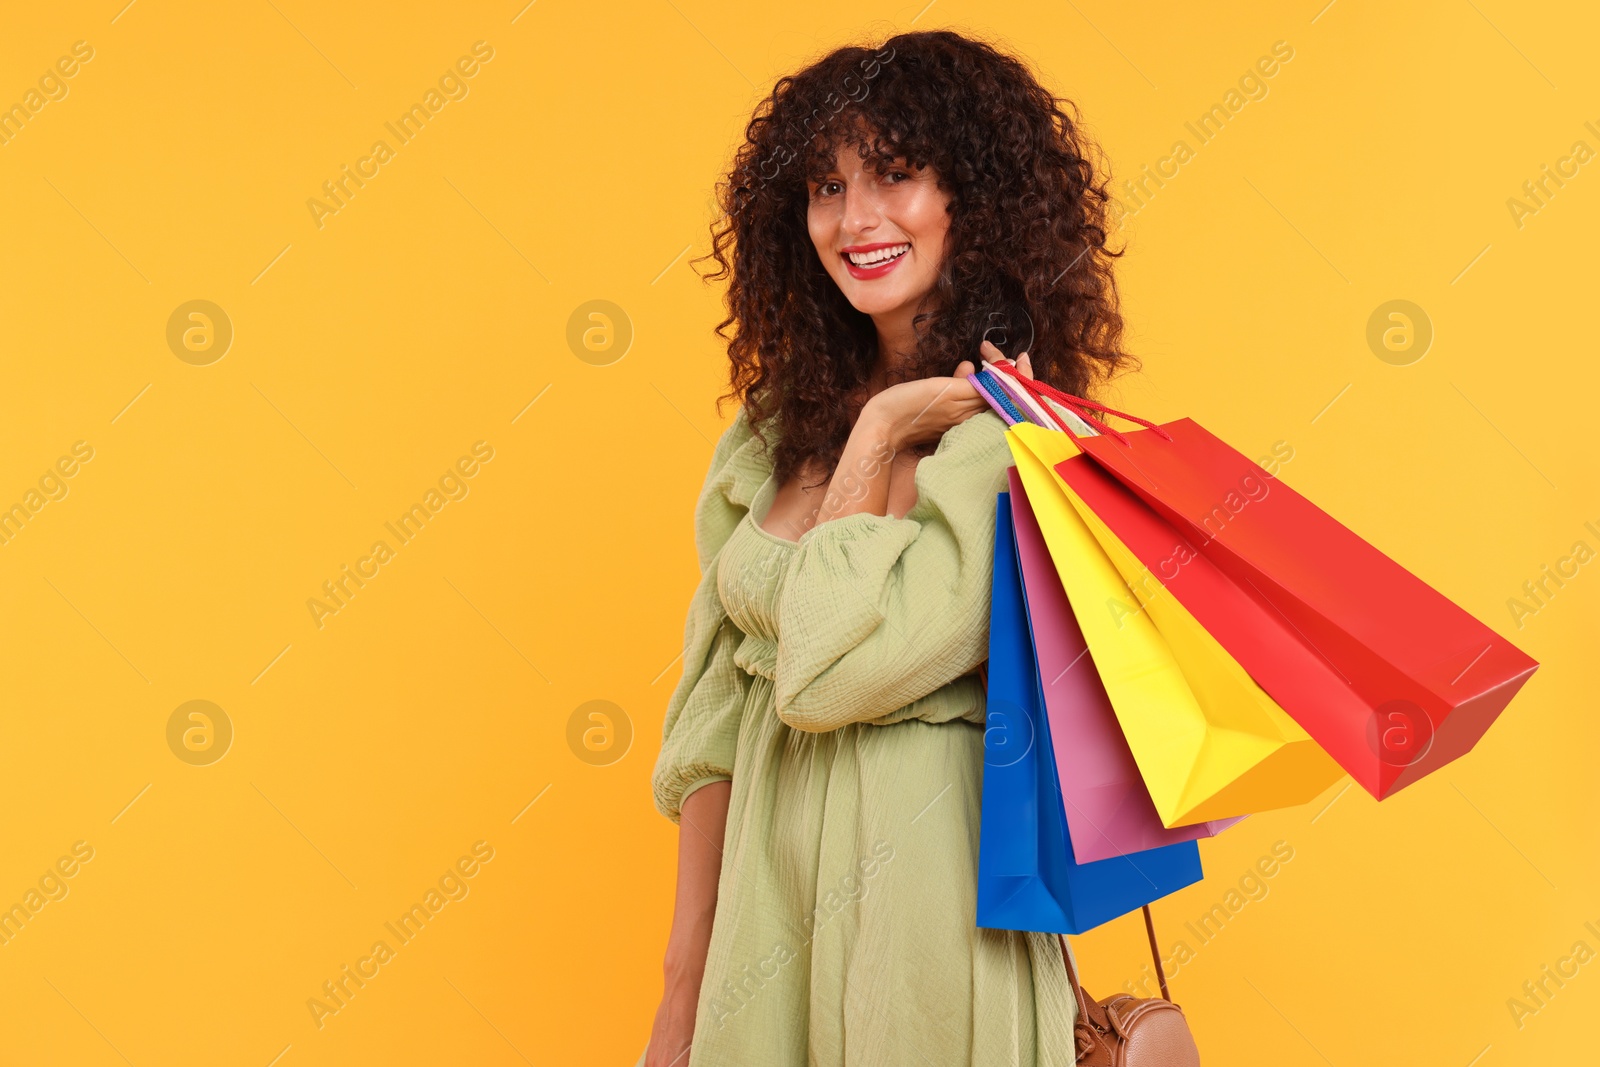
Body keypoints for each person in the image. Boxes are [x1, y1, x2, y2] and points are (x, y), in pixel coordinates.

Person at [640, 28, 1137, 1066]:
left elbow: (829, 676)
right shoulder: (770, 430)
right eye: (827, 185)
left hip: (932, 901)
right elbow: (713, 719)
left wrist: (879, 434)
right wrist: (685, 980)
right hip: (759, 915)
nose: (854, 218)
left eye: (897, 175)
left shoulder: (1018, 445)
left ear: (977, 199)